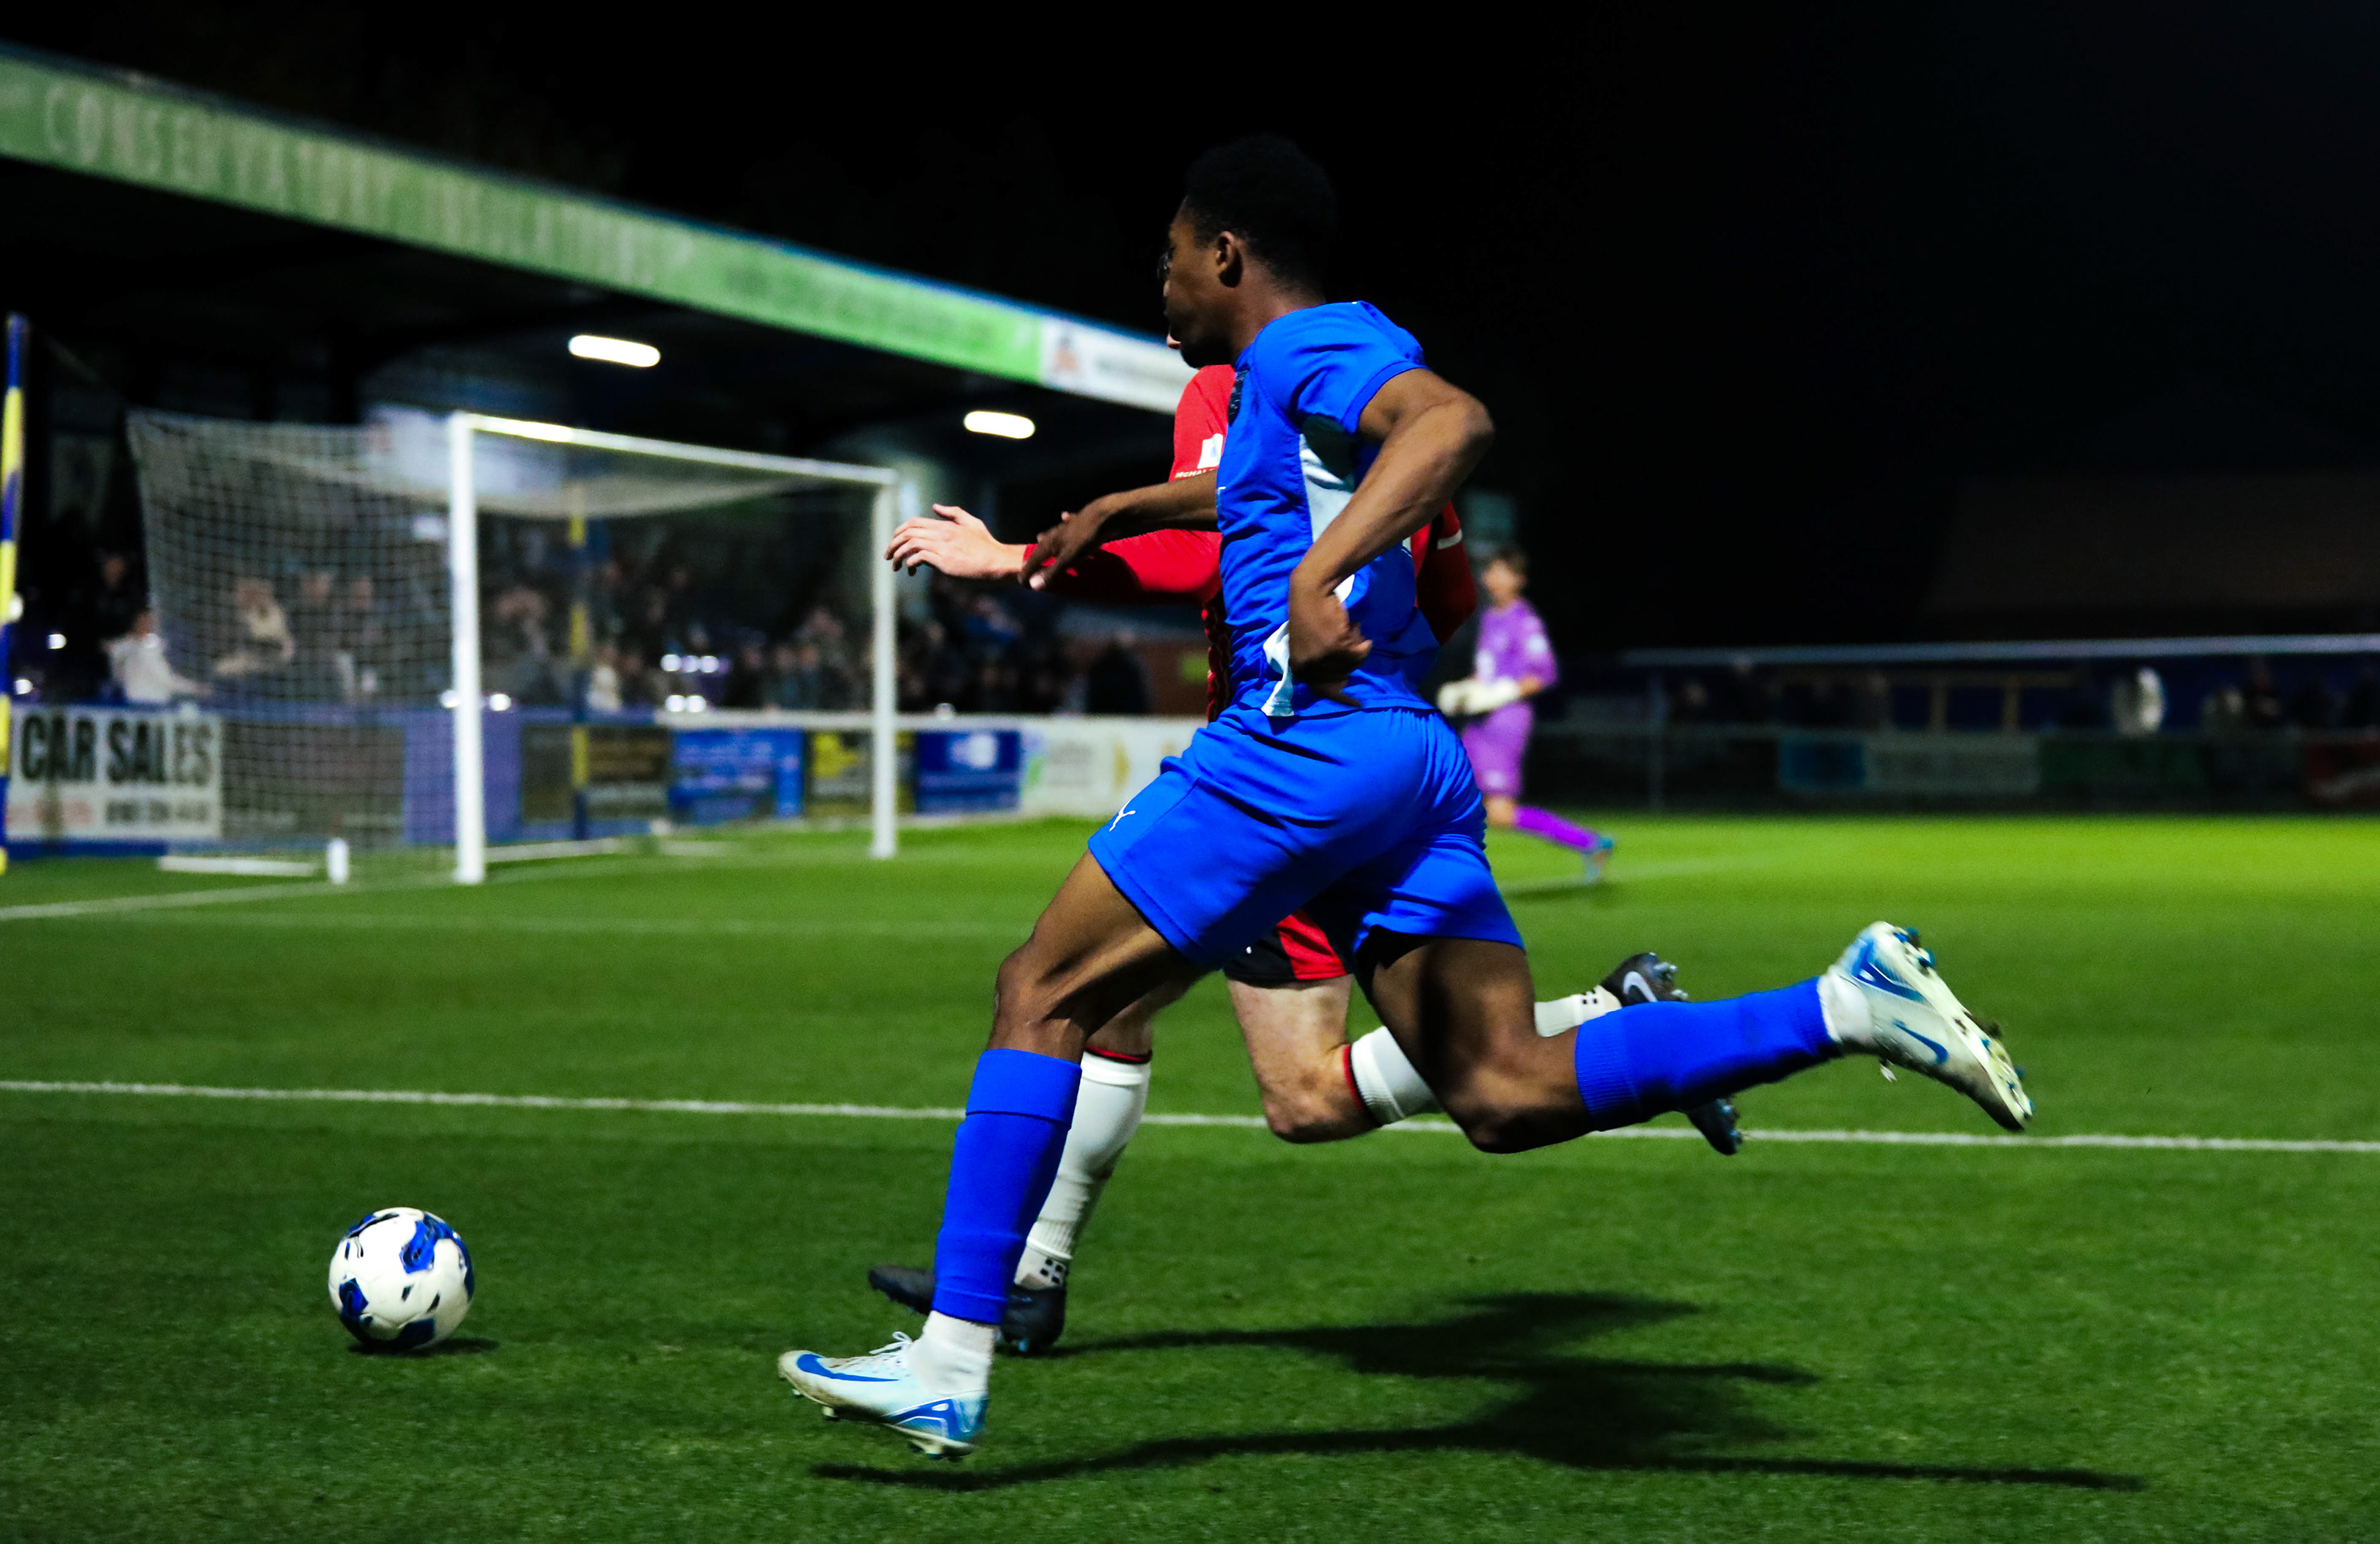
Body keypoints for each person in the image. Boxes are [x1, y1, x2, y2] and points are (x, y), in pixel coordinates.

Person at [779, 135, 2030, 1458]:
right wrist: (1108, 510)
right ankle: (1850, 1003)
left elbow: (1454, 422)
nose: (1159, 285)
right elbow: (1254, 485)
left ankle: (953, 1356)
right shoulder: (1291, 372)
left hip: (1296, 746)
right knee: (1500, 1089)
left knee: (1045, 992)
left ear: (1227, 255)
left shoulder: (1310, 344)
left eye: (1168, 259)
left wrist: (1316, 584)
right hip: (1405, 761)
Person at [868, 341, 1738, 1361]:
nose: (1165, 306)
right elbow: (1447, 596)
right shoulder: (1388, 419)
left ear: (1229, 262)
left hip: (1275, 770)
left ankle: (1015, 1282)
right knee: (1225, 1057)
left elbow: (1208, 542)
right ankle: (1027, 1274)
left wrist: (1021, 556)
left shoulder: (1238, 388)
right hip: (1380, 757)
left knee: (1106, 1006)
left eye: (1178, 262)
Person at [1436, 546, 1612, 872]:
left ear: (1519, 579)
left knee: (1500, 812)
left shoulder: (1524, 620)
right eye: (1490, 572)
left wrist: (1503, 693)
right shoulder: (1490, 618)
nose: (1491, 579)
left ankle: (1589, 842)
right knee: (1450, 794)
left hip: (1506, 721)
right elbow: (1487, 673)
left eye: (1501, 572)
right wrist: (1466, 690)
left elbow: (1544, 674)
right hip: (1479, 722)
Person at [106, 606, 207, 705]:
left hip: (148, 702)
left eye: (149, 621)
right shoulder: (140, 647)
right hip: (145, 704)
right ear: (135, 623)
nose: (145, 625)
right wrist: (197, 689)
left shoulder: (153, 644)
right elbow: (168, 681)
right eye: (142, 621)